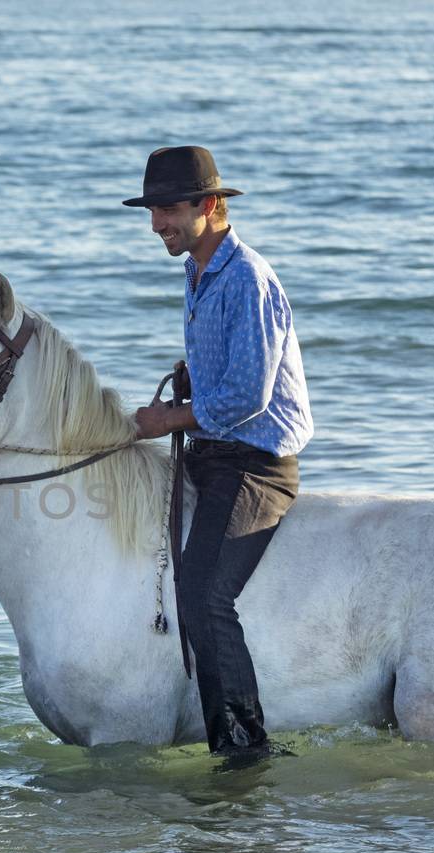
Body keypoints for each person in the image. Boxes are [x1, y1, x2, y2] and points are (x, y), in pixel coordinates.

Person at [123, 145, 313, 757]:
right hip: (214, 451)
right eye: (152, 211)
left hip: (254, 462)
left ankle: (244, 744)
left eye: (169, 210)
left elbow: (246, 398)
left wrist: (166, 418)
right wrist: (190, 384)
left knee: (203, 592)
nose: (157, 225)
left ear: (209, 206)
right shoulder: (200, 272)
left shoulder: (247, 278)